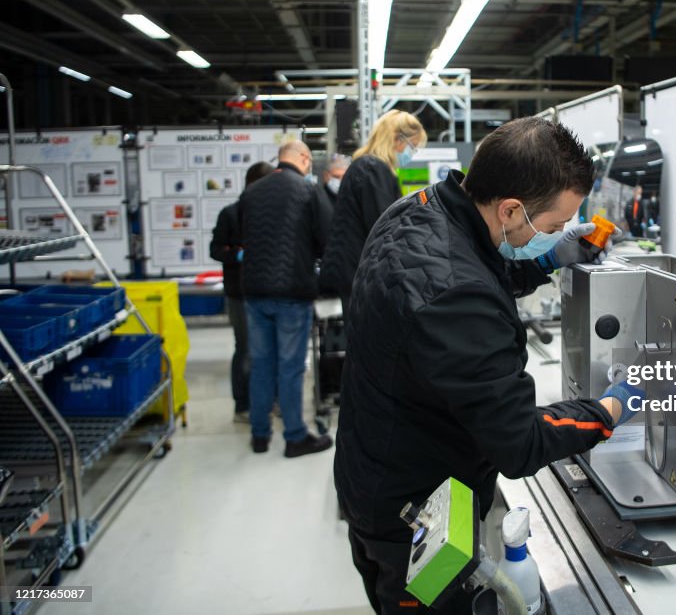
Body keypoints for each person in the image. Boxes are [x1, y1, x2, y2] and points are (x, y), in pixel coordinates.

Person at [334, 118, 640, 614]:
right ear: (511, 209)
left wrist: (548, 258)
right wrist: (607, 411)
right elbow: (519, 444)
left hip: (374, 465)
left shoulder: (420, 209)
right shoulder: (456, 294)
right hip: (414, 515)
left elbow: (472, 263)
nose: (561, 230)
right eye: (555, 224)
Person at [239, 141, 334, 458]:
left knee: (261, 364)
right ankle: (294, 436)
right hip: (292, 291)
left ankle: (259, 434)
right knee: (291, 367)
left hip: (254, 292)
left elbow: (243, 235)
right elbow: (325, 238)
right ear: (304, 159)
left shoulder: (252, 192)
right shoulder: (307, 191)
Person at [319, 110, 426, 312]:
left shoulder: (364, 166)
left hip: (353, 270)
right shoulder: (374, 169)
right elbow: (385, 224)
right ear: (397, 140)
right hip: (360, 272)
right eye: (413, 146)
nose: (412, 153)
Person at [209, 161, 275, 423]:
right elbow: (215, 249)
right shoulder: (231, 214)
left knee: (272, 350)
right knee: (247, 349)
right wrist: (237, 254)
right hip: (240, 294)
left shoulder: (272, 215)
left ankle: (272, 400)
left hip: (268, 289)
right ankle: (243, 405)